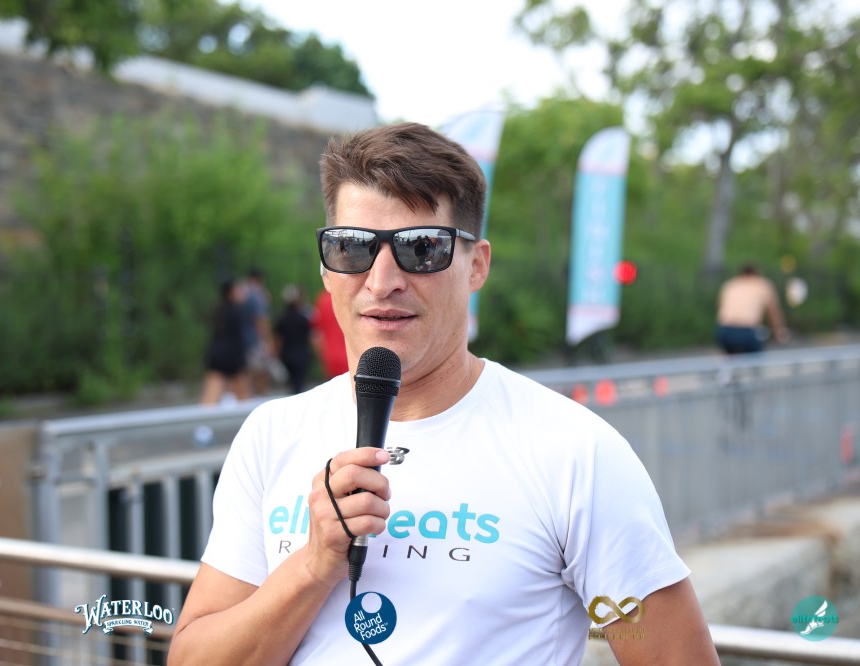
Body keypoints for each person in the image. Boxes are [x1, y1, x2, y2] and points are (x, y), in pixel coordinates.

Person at [169, 123, 718, 665]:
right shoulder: (272, 434)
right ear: (326, 269)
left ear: (477, 266)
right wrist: (312, 567)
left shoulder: (575, 452)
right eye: (353, 248)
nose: (382, 281)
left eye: (422, 248)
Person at [716, 263, 789, 354]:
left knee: (729, 357)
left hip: (725, 330)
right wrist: (779, 332)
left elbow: (720, 308)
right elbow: (773, 313)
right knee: (755, 359)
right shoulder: (762, 284)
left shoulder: (730, 285)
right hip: (747, 330)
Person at [200, 278, 250, 405]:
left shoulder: (220, 308)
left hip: (217, 355)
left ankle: (203, 419)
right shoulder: (238, 310)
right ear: (231, 292)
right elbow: (239, 339)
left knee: (210, 398)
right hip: (232, 357)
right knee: (243, 397)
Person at [242, 268, 277, 396]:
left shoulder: (241, 293)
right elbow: (261, 319)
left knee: (246, 374)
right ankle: (257, 397)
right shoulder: (258, 295)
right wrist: (269, 340)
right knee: (262, 372)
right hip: (256, 341)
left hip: (241, 340)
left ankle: (249, 397)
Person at [274, 284, 313, 394]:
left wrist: (276, 355)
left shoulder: (281, 319)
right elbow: (310, 337)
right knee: (299, 384)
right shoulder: (303, 319)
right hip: (301, 355)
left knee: (291, 385)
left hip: (287, 355)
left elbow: (278, 340)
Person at [311, 288, 349, 379]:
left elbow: (316, 336)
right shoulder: (351, 297)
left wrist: (323, 358)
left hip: (331, 359)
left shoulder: (322, 300)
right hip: (354, 359)